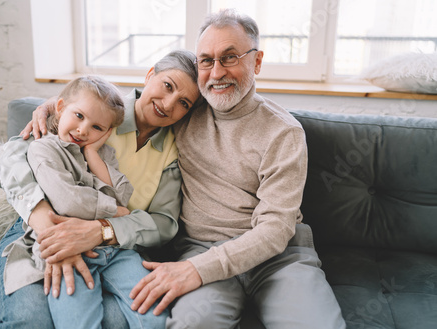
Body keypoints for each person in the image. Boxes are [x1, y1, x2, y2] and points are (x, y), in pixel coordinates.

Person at [125, 9, 347, 328]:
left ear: (256, 62)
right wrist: (52, 111)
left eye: (229, 57)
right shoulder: (184, 109)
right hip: (201, 248)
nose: (217, 73)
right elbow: (121, 108)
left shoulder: (284, 132)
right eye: (206, 60)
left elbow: (275, 229)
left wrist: (198, 270)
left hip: (278, 258)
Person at [0, 50, 201, 329]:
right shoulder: (97, 110)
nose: (169, 103)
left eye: (184, 102)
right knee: (32, 321)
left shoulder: (174, 151)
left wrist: (102, 230)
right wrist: (44, 222)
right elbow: (13, 156)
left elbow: (163, 224)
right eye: (167, 86)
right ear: (150, 74)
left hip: (113, 245)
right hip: (42, 226)